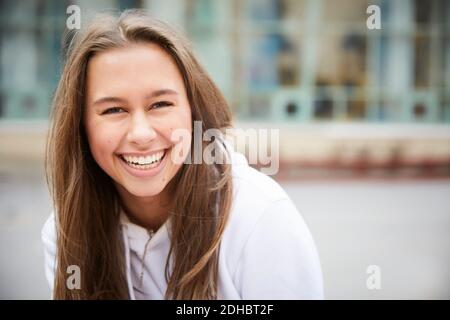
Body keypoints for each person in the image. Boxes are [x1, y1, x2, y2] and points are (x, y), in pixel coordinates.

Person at [41, 9, 323, 300]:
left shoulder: (259, 218)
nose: (141, 133)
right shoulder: (67, 230)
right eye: (114, 110)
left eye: (160, 104)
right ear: (81, 125)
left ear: (193, 111)